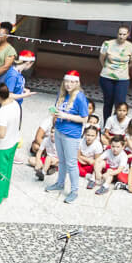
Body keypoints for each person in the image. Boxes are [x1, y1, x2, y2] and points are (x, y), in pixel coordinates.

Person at [46, 70, 91, 204]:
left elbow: (85, 118)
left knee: (71, 163)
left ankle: (74, 191)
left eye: (72, 82)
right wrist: (55, 114)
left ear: (77, 83)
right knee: (61, 161)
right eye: (66, 81)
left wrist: (66, 116)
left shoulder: (80, 97)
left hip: (71, 134)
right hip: (59, 130)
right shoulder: (61, 94)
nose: (68, 84)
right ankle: (60, 183)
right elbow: (58, 110)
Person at [0, 82, 21, 206]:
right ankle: (4, 193)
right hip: (13, 141)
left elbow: (1, 134)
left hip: (1, 146)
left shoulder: (2, 113)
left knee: (0, 173)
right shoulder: (15, 104)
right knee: (7, 170)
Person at [97, 25, 132, 123]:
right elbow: (101, 58)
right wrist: (106, 68)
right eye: (120, 34)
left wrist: (123, 70)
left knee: (120, 104)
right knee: (108, 102)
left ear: (128, 34)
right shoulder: (107, 44)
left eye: (124, 34)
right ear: (117, 33)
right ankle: (106, 124)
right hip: (106, 77)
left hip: (122, 79)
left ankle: (117, 124)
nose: (121, 36)